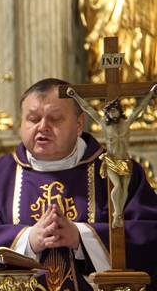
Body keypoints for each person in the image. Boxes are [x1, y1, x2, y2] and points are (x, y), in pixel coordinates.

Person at [0, 78, 157, 291]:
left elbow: (149, 236)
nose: (42, 127)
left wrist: (81, 237)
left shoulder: (116, 173)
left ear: (79, 124)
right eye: (33, 119)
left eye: (55, 119)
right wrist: (27, 241)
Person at [67, 85, 157, 228]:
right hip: (112, 159)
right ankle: (117, 213)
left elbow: (140, 108)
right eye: (109, 111)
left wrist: (151, 93)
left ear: (119, 111)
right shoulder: (105, 125)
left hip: (124, 160)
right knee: (117, 186)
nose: (112, 113)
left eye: (114, 110)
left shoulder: (126, 123)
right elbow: (88, 108)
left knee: (124, 188)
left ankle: (119, 212)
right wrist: (74, 96)